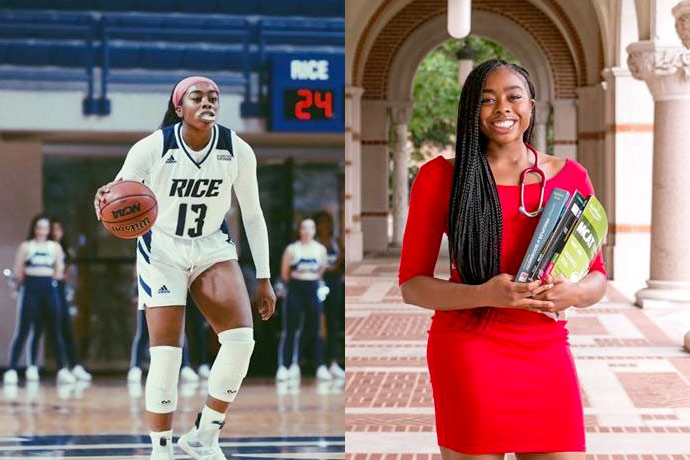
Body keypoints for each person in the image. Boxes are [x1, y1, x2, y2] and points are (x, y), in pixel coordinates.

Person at [398, 59, 607, 459]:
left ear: (531, 105)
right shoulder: (440, 178)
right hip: (469, 349)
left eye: (513, 97)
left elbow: (597, 275)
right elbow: (412, 285)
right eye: (487, 100)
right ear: (471, 111)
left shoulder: (571, 176)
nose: (502, 109)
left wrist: (575, 294)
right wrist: (486, 294)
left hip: (545, 347)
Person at [93, 76, 276, 460]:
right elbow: (117, 194)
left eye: (214, 96)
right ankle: (161, 449)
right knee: (166, 353)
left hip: (211, 244)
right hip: (161, 248)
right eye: (198, 96)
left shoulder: (237, 149)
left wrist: (264, 277)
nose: (208, 101)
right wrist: (104, 200)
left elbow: (254, 216)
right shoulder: (152, 147)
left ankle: (204, 435)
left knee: (241, 340)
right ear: (179, 107)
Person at [3, 215, 77, 385]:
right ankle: (12, 369)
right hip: (30, 289)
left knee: (55, 330)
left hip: (49, 289)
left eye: (45, 227)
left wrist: (53, 278)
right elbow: (18, 271)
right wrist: (21, 285)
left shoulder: (55, 247)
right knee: (23, 329)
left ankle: (62, 369)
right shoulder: (26, 246)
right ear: (34, 228)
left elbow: (59, 270)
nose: (42, 231)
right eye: (39, 227)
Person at [26, 218, 92, 382]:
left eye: (58, 230)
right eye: (53, 229)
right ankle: (33, 366)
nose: (56, 233)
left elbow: (67, 275)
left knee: (65, 330)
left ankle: (73, 366)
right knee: (38, 328)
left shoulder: (63, 250)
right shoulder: (42, 248)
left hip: (60, 292)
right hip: (44, 290)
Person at [275, 218, 331, 382]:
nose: (307, 231)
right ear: (299, 230)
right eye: (304, 228)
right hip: (295, 289)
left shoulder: (320, 250)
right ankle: (284, 366)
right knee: (290, 328)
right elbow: (285, 273)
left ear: (314, 230)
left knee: (316, 329)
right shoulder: (292, 249)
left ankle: (320, 366)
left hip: (312, 288)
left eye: (310, 228)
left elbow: (322, 270)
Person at [314, 211, 344, 379]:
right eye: (322, 222)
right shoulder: (314, 243)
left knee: (333, 324)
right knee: (320, 325)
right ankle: (320, 363)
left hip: (334, 284)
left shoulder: (336, 242)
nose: (325, 226)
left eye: (328, 222)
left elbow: (340, 261)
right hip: (319, 284)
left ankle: (332, 362)